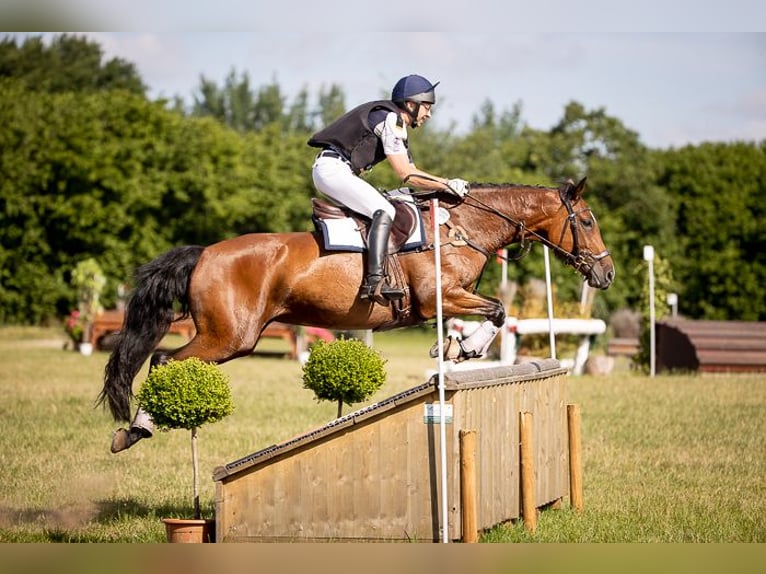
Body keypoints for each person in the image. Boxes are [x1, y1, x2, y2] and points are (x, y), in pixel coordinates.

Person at [308, 74, 469, 303]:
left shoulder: (396, 125)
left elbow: (412, 170)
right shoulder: (390, 121)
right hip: (332, 169)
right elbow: (406, 174)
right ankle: (374, 282)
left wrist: (444, 185)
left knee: (387, 204)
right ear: (411, 104)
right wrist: (447, 183)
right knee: (386, 210)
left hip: (334, 170)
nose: (429, 114)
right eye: (426, 107)